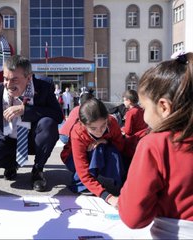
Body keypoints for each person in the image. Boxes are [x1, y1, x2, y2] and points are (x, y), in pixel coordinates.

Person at [117, 52, 193, 239]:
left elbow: (133, 217)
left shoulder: (155, 144)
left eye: (144, 107)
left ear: (164, 107)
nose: (143, 115)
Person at [0, 55, 63, 192]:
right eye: (5, 78)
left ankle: (37, 170)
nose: (8, 85)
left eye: (14, 80)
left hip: (33, 140)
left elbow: (58, 116)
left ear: (29, 78)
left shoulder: (44, 86)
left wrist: (26, 110)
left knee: (48, 124)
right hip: (7, 138)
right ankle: (11, 163)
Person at [60, 98, 126, 207]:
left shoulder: (112, 122)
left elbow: (120, 147)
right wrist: (107, 196)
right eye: (93, 128)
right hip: (72, 159)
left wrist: (104, 141)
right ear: (83, 124)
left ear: (107, 118)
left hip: (99, 153)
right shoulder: (78, 132)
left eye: (103, 125)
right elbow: (83, 171)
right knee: (97, 149)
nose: (99, 131)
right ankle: (81, 184)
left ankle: (113, 181)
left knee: (107, 148)